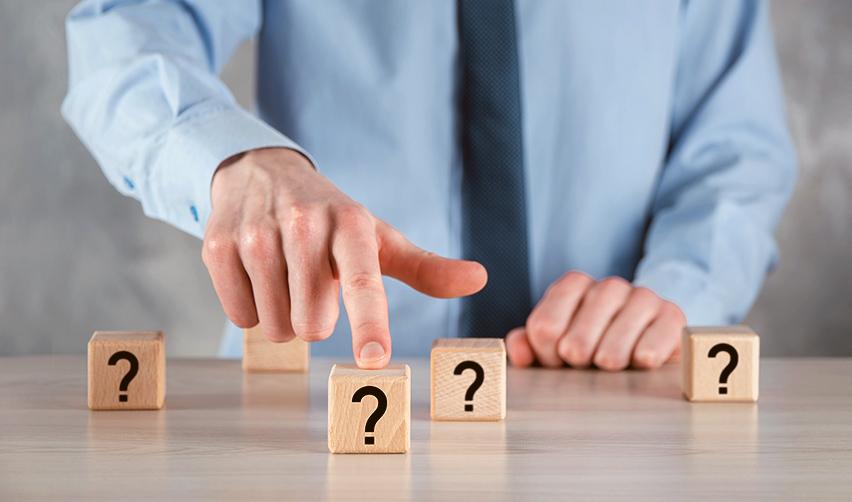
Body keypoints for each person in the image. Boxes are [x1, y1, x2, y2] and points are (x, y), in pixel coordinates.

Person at [62, 0, 796, 371]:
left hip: (613, 396)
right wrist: (235, 160)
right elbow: (125, 30)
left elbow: (735, 146)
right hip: (317, 403)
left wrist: (674, 295)